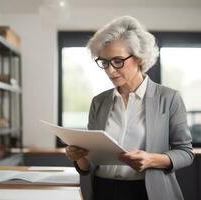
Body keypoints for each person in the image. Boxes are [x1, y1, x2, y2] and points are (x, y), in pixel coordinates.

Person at [65, 16, 194, 200]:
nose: (110, 70)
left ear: (140, 59)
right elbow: (89, 165)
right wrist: (79, 156)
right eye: (104, 62)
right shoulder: (99, 102)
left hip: (147, 192)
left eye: (118, 61)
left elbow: (185, 152)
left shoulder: (169, 98)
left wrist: (151, 159)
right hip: (103, 190)